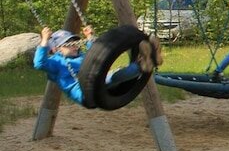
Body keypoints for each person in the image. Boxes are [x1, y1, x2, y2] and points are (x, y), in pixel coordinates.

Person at [34, 25, 162, 106]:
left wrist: (90, 37)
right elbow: (39, 63)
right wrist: (45, 40)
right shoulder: (56, 63)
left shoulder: (80, 56)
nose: (74, 46)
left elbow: (95, 56)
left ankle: (150, 58)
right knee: (112, 76)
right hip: (85, 94)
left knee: (117, 74)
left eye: (75, 43)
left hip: (97, 85)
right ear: (56, 49)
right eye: (68, 44)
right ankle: (142, 65)